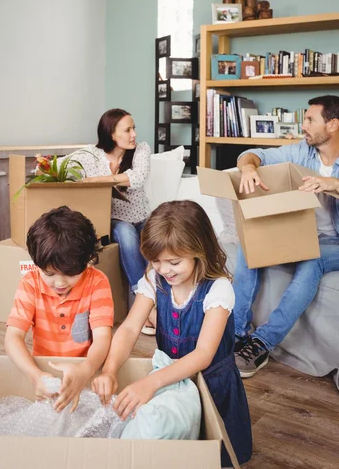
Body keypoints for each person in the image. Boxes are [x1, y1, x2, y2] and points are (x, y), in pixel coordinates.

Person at [92, 200, 252, 467]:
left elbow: (203, 355)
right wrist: (109, 370)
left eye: (174, 262)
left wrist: (150, 383)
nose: (164, 270)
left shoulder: (218, 289)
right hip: (171, 382)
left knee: (216, 454)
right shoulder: (155, 280)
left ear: (199, 251)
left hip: (212, 386)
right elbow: (130, 328)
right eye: (155, 261)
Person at [234, 95, 339, 378]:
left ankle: (262, 343)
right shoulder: (302, 152)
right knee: (250, 242)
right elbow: (255, 154)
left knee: (312, 262)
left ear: (332, 125)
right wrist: (248, 167)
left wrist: (334, 184)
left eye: (309, 120)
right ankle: (236, 333)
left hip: (335, 244)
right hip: (304, 233)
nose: (303, 125)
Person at [5, 206, 114, 413]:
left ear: (88, 261)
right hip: (45, 372)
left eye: (70, 274)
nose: (60, 283)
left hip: (87, 368)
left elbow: (102, 338)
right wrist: (35, 375)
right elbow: (13, 337)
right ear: (37, 265)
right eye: (49, 274)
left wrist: (85, 371)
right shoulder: (30, 284)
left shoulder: (97, 283)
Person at [59, 108, 155, 334]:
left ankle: (157, 306)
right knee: (126, 236)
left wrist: (97, 180)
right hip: (116, 220)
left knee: (159, 241)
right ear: (112, 134)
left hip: (142, 216)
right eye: (127, 130)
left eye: (134, 128)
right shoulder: (91, 155)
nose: (133, 134)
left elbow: (137, 178)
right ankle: (147, 307)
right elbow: (60, 164)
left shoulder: (141, 149)